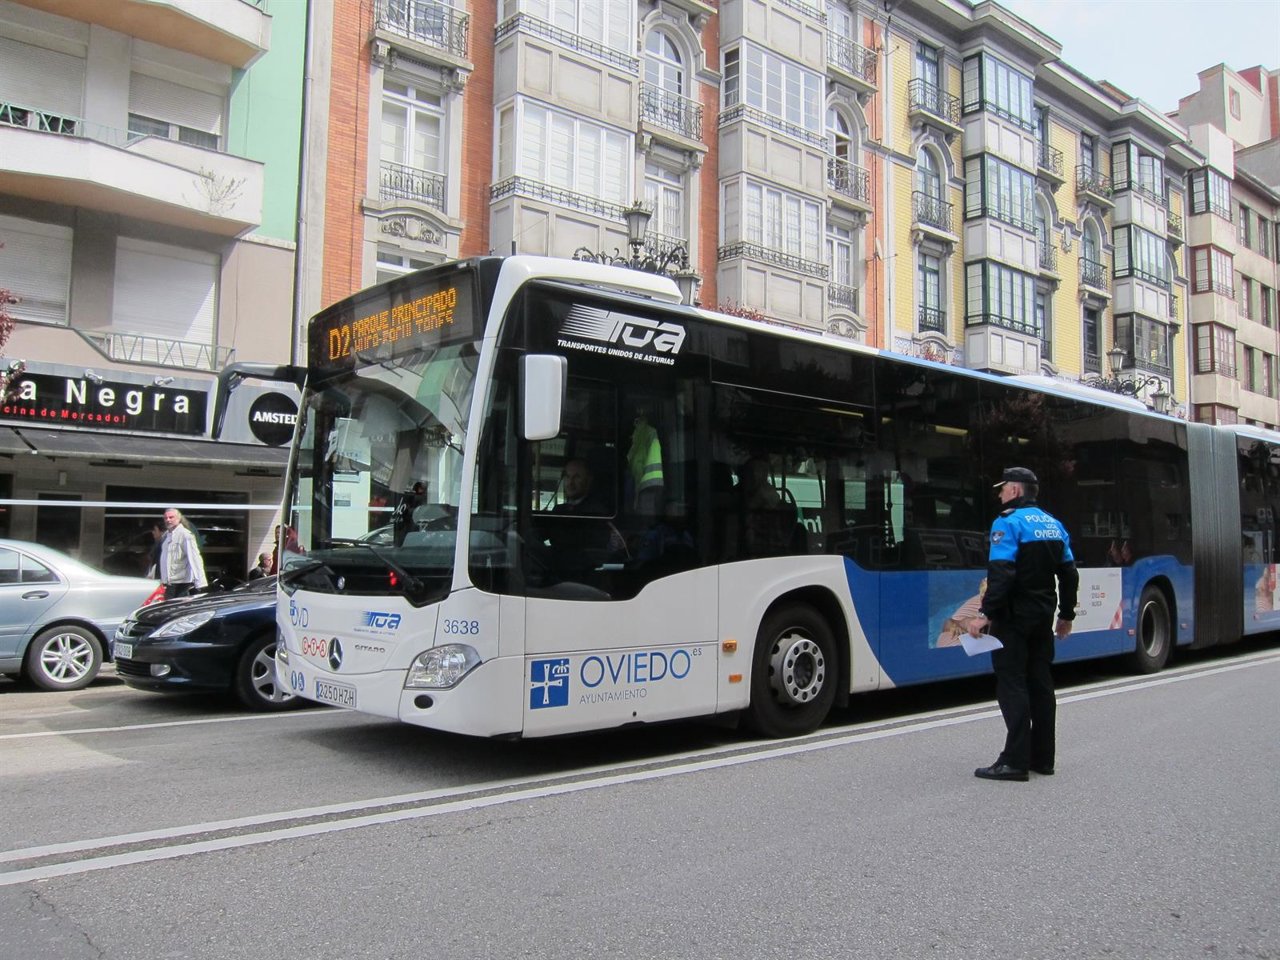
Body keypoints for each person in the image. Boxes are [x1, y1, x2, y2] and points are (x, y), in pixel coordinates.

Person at [966, 466, 1078, 782]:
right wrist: (1066, 615)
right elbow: (1069, 574)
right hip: (1042, 618)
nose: (999, 494)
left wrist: (984, 613)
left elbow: (1002, 573)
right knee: (1040, 683)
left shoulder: (1008, 523)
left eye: (1003, 488)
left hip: (1013, 619)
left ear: (1016, 490)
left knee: (1011, 682)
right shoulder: (1054, 525)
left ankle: (1014, 761)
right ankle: (1043, 758)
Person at [159, 507, 207, 600]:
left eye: (171, 517)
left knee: (177, 609)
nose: (168, 520)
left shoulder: (185, 535)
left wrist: (200, 582)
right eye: (166, 518)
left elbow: (195, 557)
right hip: (168, 582)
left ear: (178, 518)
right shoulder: (166, 536)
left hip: (180, 583)